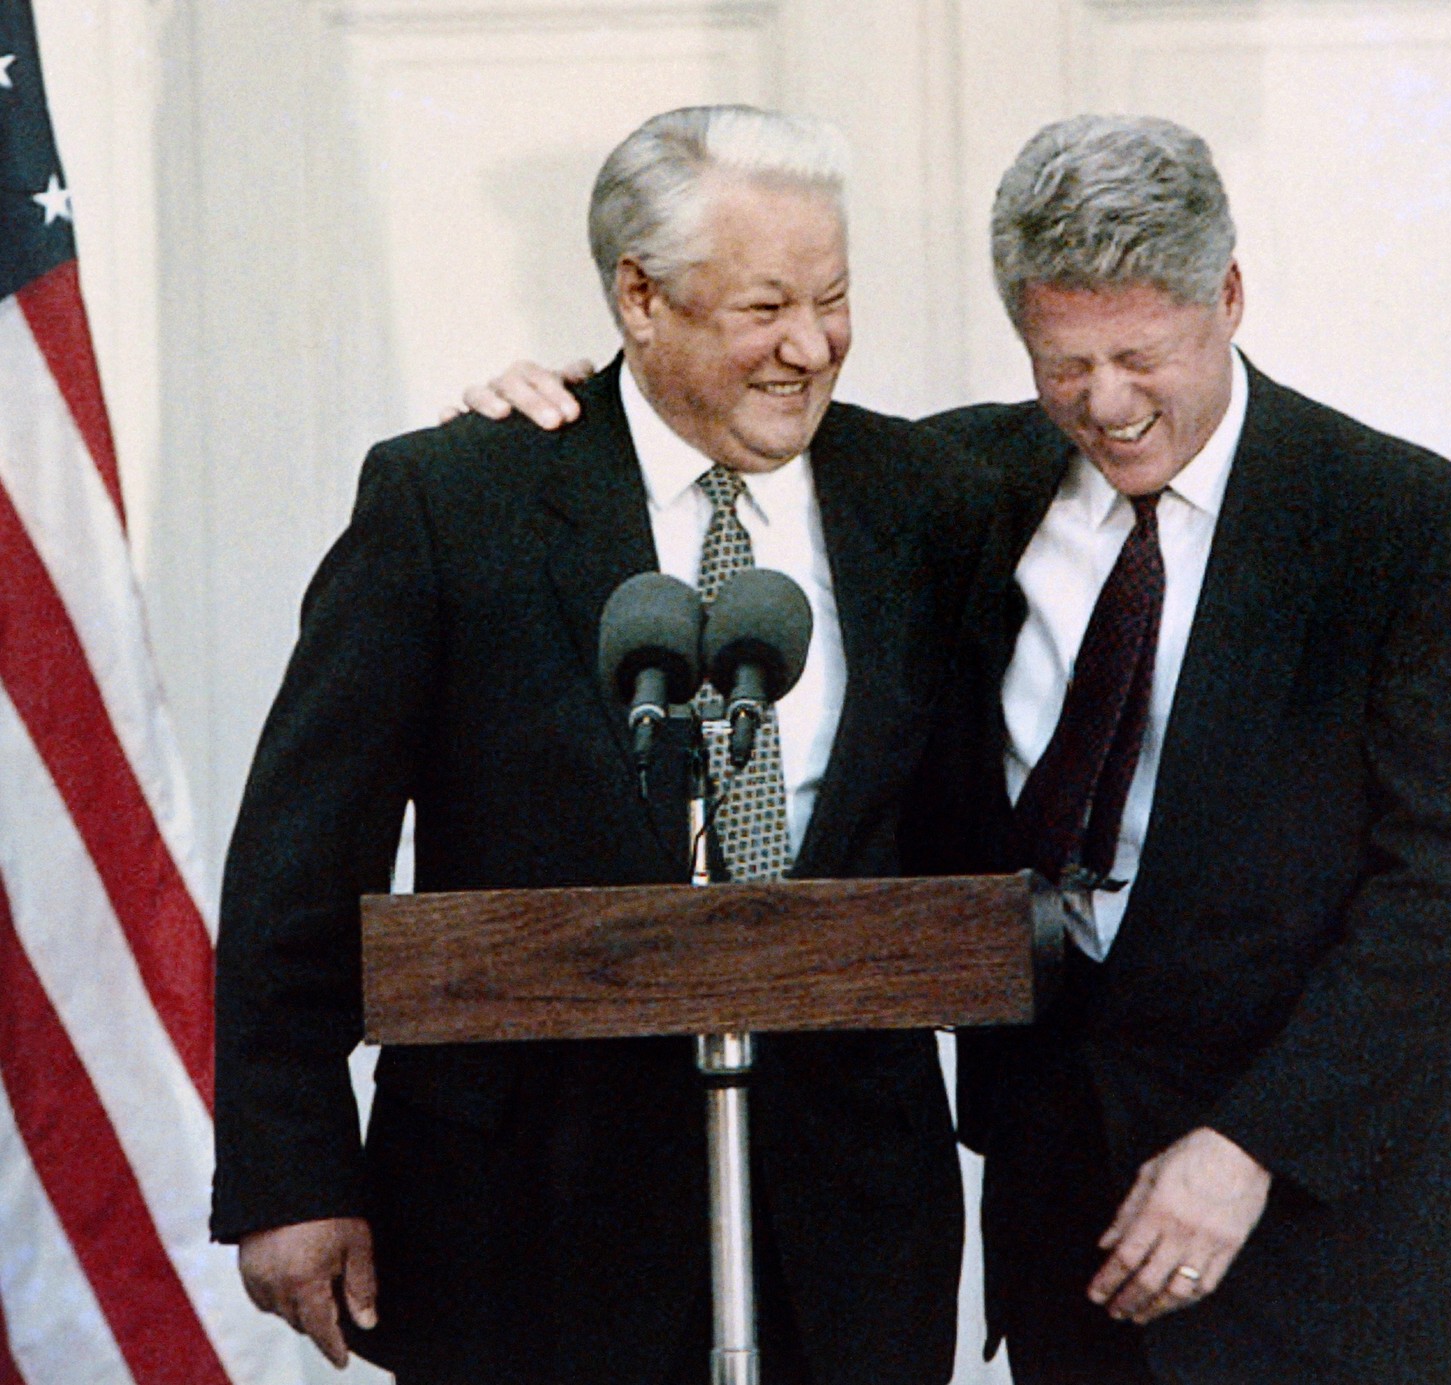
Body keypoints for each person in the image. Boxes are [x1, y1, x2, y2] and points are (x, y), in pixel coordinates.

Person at [465, 113, 1451, 1384]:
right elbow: (696, 424)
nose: (1106, 406)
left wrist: (1249, 1147)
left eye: (1141, 356)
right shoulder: (957, 485)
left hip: (1317, 1219)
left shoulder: (1411, 529)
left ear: (1230, 296)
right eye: (1062, 364)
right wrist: (561, 408)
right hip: (1061, 1204)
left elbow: (1449, 892)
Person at [211, 105, 982, 1385]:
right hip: (532, 1223)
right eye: (765, 308)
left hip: (842, 1228)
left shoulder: (929, 497)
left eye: (834, 298)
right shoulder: (456, 500)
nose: (812, 346)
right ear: (640, 297)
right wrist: (291, 1171)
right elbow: (302, 854)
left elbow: (1117, 419)